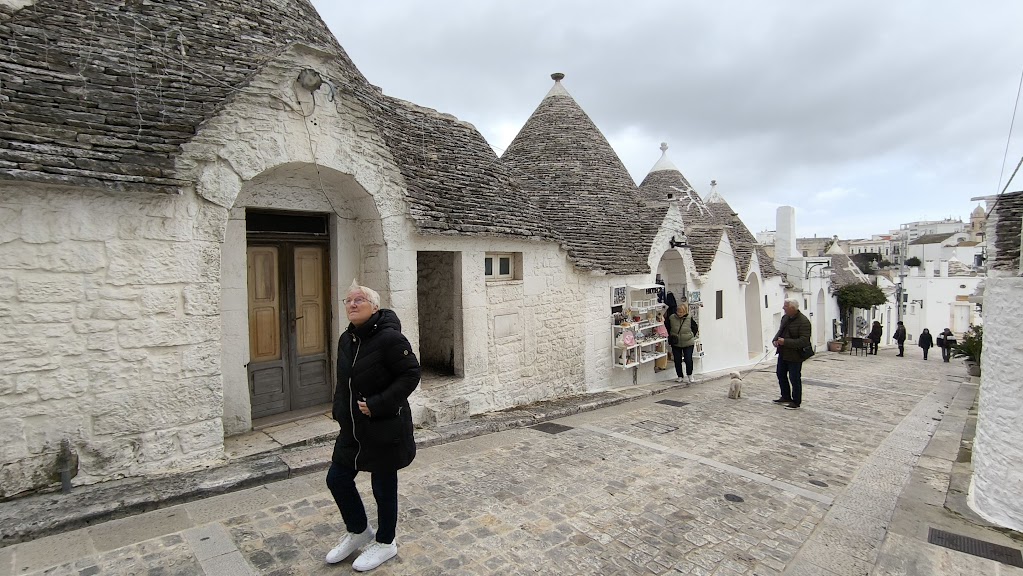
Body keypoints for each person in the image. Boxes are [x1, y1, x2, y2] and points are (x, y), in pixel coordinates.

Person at [325, 281, 421, 572]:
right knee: (337, 479)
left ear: (375, 307)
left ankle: (386, 542)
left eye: (359, 300)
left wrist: (378, 403)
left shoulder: (390, 338)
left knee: (383, 487)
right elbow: (345, 383)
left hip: (385, 426)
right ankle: (358, 531)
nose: (352, 304)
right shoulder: (347, 339)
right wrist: (339, 410)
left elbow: (411, 374)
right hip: (353, 429)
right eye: (348, 300)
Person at [771, 298, 812, 410]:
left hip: (795, 355)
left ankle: (796, 401)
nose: (783, 308)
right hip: (783, 353)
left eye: (785, 306)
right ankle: (785, 396)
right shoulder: (785, 318)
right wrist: (775, 340)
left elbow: (803, 341)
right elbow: (780, 331)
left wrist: (785, 342)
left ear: (792, 308)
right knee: (780, 374)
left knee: (794, 378)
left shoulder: (804, 321)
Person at [666, 301, 699, 385]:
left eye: (681, 312)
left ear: (685, 312)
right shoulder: (672, 318)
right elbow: (667, 327)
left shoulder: (689, 318)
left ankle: (690, 375)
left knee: (688, 359)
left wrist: (691, 335)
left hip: (688, 342)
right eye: (678, 311)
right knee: (677, 360)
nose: (679, 313)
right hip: (676, 342)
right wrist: (671, 336)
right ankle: (680, 376)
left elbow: (695, 327)